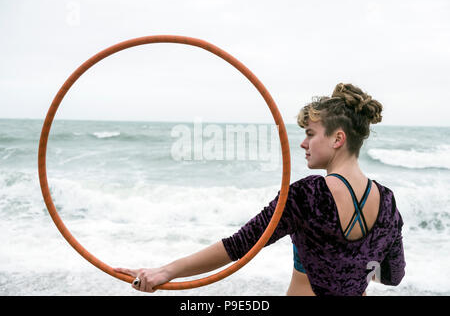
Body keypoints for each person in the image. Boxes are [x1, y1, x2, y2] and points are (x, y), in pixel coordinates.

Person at [114, 83, 406, 296]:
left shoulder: (309, 195)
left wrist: (165, 272)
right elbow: (392, 276)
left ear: (337, 138)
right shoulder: (388, 203)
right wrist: (351, 269)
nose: (303, 144)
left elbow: (240, 245)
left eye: (310, 134)